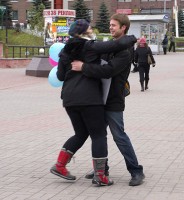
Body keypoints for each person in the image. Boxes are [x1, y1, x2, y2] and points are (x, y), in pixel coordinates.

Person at [50, 19, 136, 187]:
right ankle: (100, 175)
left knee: (81, 133)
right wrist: (133, 38)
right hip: (89, 98)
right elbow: (115, 46)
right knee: (98, 135)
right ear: (83, 32)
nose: (92, 30)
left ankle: (60, 166)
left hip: (69, 99)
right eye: (89, 28)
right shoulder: (89, 46)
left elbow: (60, 76)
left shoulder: (65, 51)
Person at [71, 13, 145, 186]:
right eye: (110, 25)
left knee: (119, 136)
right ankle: (101, 170)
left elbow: (108, 71)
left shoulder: (125, 51)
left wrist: (84, 67)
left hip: (113, 100)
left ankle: (136, 171)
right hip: (98, 98)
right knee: (98, 135)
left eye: (114, 25)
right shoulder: (111, 46)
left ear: (123, 28)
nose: (110, 27)